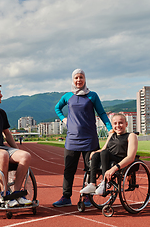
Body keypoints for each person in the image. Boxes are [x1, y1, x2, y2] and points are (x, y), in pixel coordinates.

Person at [53, 69, 112, 207]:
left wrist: (110, 128)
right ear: (72, 80)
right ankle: (66, 197)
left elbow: (102, 113)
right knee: (69, 169)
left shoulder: (92, 96)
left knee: (90, 169)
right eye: (76, 78)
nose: (79, 80)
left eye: (81, 77)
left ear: (85, 79)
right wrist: (64, 119)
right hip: (72, 139)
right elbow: (57, 108)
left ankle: (87, 197)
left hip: (89, 139)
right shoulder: (67, 96)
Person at [79, 113, 138, 195]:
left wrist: (114, 168)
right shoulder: (111, 135)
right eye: (115, 123)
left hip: (120, 160)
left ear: (126, 124)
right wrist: (94, 152)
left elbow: (130, 157)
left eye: (121, 123)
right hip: (108, 158)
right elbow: (103, 148)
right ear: (112, 125)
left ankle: (105, 182)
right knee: (96, 155)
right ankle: (92, 184)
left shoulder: (131, 136)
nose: (118, 125)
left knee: (104, 153)